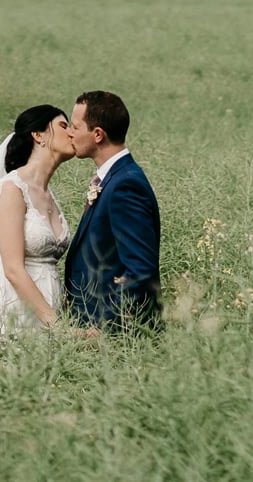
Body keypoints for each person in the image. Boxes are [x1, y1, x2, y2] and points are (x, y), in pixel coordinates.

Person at [0, 105, 78, 345]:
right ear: (38, 135)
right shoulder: (13, 188)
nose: (72, 133)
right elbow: (12, 268)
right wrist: (57, 326)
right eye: (63, 126)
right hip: (10, 310)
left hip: (45, 309)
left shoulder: (48, 194)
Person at [63, 90, 161, 334]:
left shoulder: (125, 185)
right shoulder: (112, 179)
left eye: (75, 126)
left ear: (97, 134)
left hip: (116, 337)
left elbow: (141, 271)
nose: (69, 133)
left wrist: (102, 327)